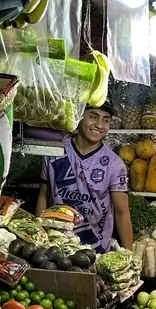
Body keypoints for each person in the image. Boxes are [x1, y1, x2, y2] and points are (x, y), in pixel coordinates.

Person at [35, 103, 132, 253]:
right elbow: (43, 194)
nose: (99, 125)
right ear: (79, 116)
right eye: (93, 117)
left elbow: (122, 213)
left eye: (106, 120)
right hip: (56, 243)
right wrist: (37, 235)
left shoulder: (114, 164)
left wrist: (129, 255)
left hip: (95, 248)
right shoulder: (55, 150)